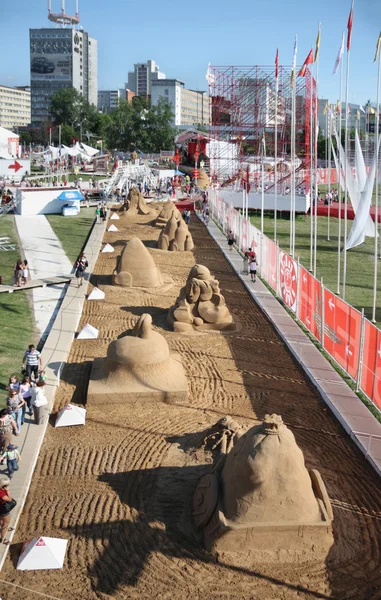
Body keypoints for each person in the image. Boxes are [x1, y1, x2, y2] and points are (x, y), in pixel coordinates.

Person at [0, 475, 16, 544]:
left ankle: (3, 530)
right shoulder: (1, 493)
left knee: (1, 522)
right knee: (6, 524)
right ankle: (3, 539)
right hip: (3, 509)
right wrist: (8, 491)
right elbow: (9, 500)